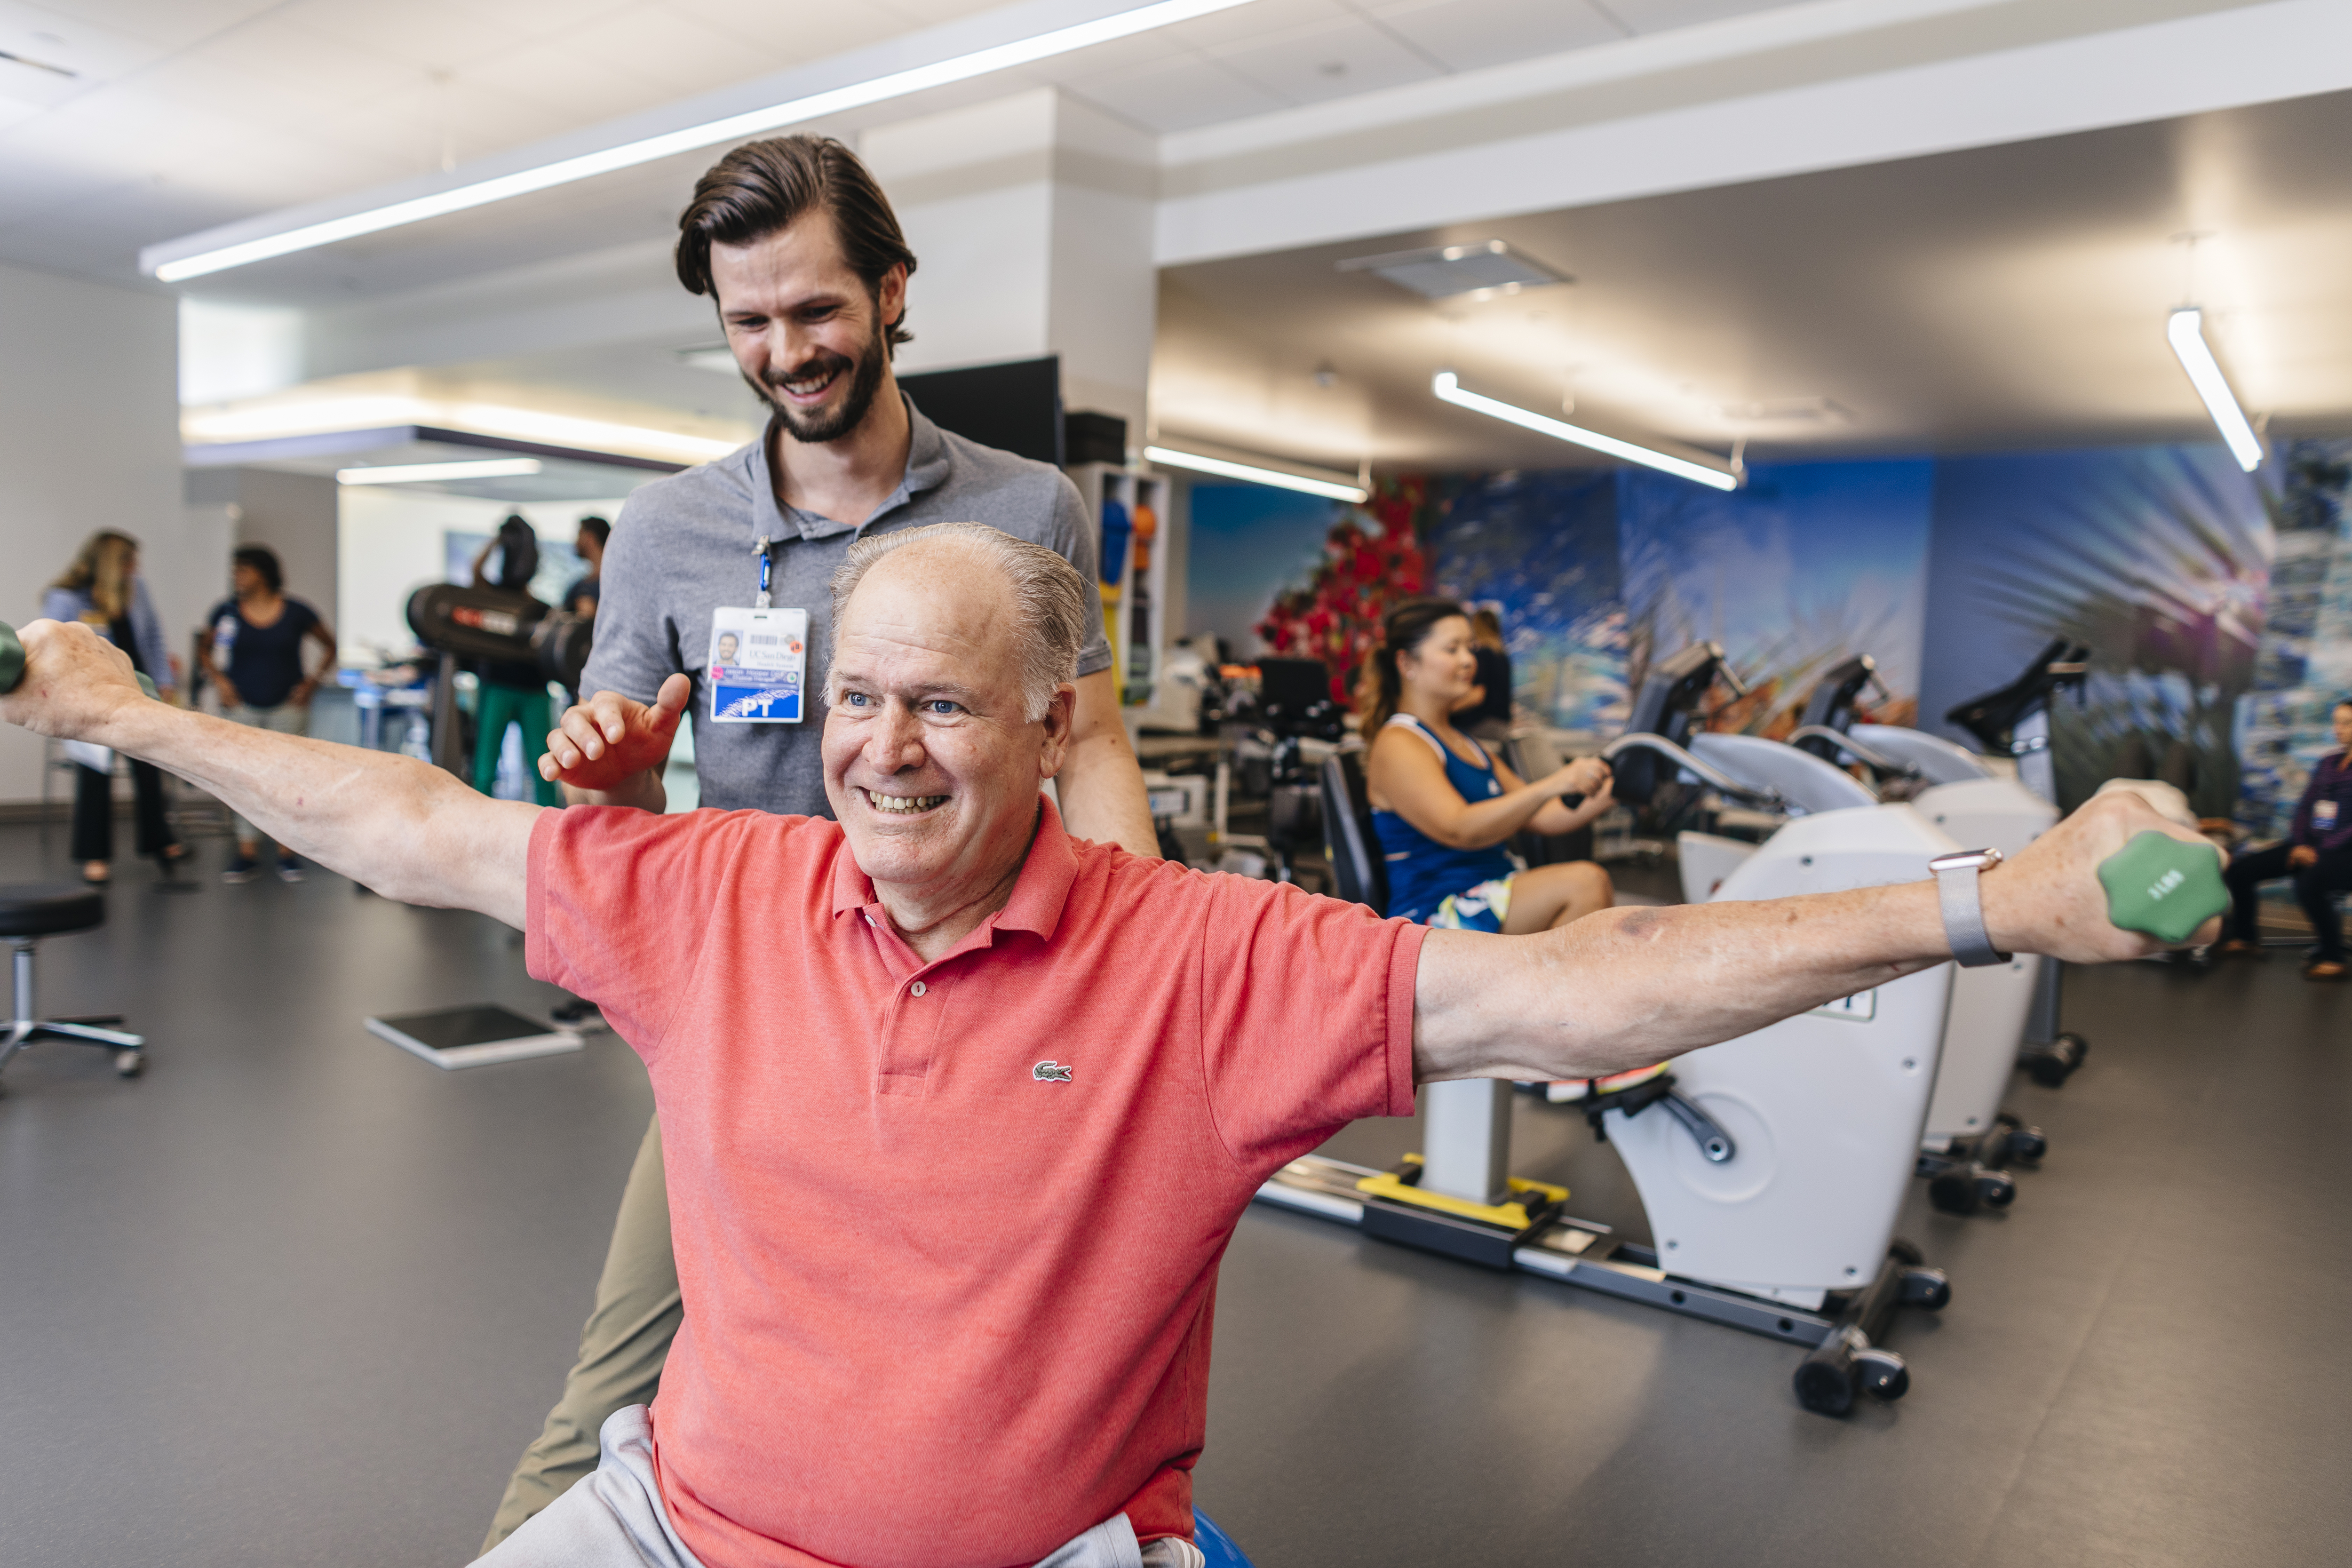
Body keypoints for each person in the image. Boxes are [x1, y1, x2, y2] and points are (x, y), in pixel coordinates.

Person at [0, 523, 2216, 1568]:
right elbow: (410, 821)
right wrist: (115, 716)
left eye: (940, 703)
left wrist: (1988, 902)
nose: (883, 751)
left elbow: (1580, 980)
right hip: (678, 1532)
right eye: (856, 700)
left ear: (1050, 725)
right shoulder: (715, 892)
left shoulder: (1201, 961)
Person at [494, 133, 1158, 1548]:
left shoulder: (1025, 506)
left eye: (816, 309)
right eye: (750, 320)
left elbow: (1088, 740)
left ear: (890, 291)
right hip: (757, 1012)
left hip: (985, 1002)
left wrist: (1142, 962)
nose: (786, 348)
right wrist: (606, 782)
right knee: (618, 1366)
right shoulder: (668, 531)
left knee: (1011, 1383)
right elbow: (615, 820)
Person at [1363, 598, 1616, 933]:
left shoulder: (1466, 744)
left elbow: (1547, 815)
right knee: (1586, 883)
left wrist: (1626, 784)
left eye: (1470, 648)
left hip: (1491, 889)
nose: (1469, 660)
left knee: (1591, 895)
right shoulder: (1399, 742)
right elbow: (1459, 827)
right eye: (1452, 649)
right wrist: (1554, 782)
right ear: (1407, 662)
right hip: (1433, 916)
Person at [42, 529, 185, 885]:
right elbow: (54, 649)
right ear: (111, 562)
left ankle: (160, 841)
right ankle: (95, 856)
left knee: (150, 768)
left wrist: (164, 681)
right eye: (129, 560)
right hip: (91, 698)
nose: (135, 567)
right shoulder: (66, 598)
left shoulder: (136, 589)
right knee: (95, 776)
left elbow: (152, 635)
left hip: (138, 691)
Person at [198, 544, 337, 883]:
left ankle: (287, 850)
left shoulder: (297, 612)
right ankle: (247, 850)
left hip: (288, 705)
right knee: (244, 776)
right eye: (235, 570)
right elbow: (204, 649)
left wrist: (312, 682)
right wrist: (220, 681)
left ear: (263, 572)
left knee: (288, 777)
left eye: (243, 569)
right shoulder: (227, 612)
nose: (237, 576)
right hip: (242, 705)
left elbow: (330, 646)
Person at [2220, 698, 2352, 979]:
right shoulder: (2329, 762)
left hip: (2344, 854)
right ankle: (2246, 938)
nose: (2338, 729)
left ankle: (2334, 957)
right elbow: (2305, 806)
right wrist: (2301, 843)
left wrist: (2320, 851)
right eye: (2336, 722)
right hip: (2309, 846)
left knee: (2310, 882)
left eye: (2346, 723)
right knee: (2241, 871)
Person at [470, 516, 562, 808]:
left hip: (534, 692)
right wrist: (497, 542)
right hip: (497, 687)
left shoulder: (542, 609)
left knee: (544, 768)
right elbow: (475, 571)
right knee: (484, 768)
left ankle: (551, 826)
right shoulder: (494, 597)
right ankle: (478, 822)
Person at [1455, 604, 1514, 741]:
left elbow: (1477, 695)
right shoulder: (1502, 656)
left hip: (1483, 725)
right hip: (1502, 725)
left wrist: (1445, 711)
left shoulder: (1482, 655)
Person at [566, 516, 610, 619]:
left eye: (580, 535)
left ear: (590, 538)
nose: (576, 542)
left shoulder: (589, 587)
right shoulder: (582, 584)